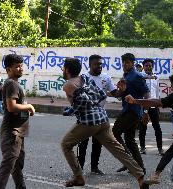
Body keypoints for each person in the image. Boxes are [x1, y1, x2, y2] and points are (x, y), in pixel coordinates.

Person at [60, 57, 148, 188]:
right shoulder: (86, 78)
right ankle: (140, 176)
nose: (63, 70)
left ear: (67, 70)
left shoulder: (68, 85)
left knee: (66, 144)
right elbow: (101, 94)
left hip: (89, 121)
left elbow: (83, 102)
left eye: (63, 68)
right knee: (117, 149)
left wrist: (69, 111)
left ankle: (78, 176)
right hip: (103, 118)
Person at [77, 54, 125, 175]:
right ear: (90, 65)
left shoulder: (106, 78)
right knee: (83, 143)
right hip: (86, 115)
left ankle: (94, 167)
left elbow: (115, 93)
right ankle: (79, 168)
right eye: (96, 64)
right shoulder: (83, 78)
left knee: (98, 142)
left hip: (99, 115)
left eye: (100, 64)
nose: (99, 66)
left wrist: (121, 91)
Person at [0, 54, 35, 189]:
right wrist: (29, 107)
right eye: (17, 67)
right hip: (12, 133)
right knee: (8, 166)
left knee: (16, 165)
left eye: (21, 66)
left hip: (18, 131)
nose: (21, 69)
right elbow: (11, 107)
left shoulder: (13, 83)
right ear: (8, 70)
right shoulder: (12, 83)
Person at [112, 53, 150, 174]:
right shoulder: (126, 76)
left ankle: (129, 161)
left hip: (133, 112)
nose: (124, 64)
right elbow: (121, 94)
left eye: (127, 62)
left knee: (114, 133)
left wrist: (145, 111)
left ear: (133, 63)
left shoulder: (136, 76)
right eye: (123, 62)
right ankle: (139, 167)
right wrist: (119, 92)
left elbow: (146, 94)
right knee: (129, 140)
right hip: (128, 110)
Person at [138, 59, 164, 155]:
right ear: (143, 67)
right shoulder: (140, 77)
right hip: (143, 105)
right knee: (142, 127)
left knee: (157, 127)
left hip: (153, 105)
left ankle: (160, 149)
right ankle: (142, 147)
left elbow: (157, 91)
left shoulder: (156, 77)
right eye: (146, 66)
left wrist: (158, 104)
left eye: (150, 65)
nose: (148, 67)